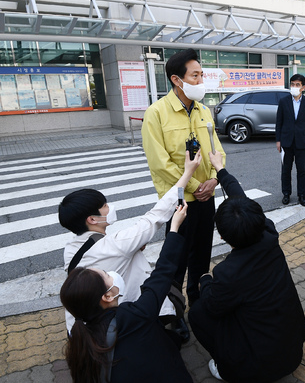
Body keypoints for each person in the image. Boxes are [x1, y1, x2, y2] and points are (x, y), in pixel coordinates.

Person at [189, 149, 305, 383]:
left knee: (197, 313)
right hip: (292, 351)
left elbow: (213, 306)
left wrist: (204, 280)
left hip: (259, 369)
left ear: (223, 238)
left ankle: (226, 367)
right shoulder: (268, 232)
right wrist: (220, 170)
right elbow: (240, 198)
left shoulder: (227, 273)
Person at [58, 150, 202, 337]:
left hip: (84, 326)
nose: (109, 208)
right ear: (92, 219)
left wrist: (132, 251)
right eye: (105, 206)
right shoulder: (117, 244)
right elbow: (155, 217)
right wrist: (188, 173)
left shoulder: (71, 249)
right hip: (118, 327)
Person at [60, 200, 192, 383]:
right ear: (106, 296)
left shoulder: (80, 337)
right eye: (106, 275)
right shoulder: (134, 316)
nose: (112, 275)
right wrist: (174, 229)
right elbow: (162, 274)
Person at [141, 49, 226, 327]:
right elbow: (160, 163)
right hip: (180, 203)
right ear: (177, 80)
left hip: (207, 197)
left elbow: (218, 150)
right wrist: (194, 184)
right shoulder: (156, 114)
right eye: (196, 75)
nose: (201, 79)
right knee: (176, 261)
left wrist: (215, 178)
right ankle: (173, 314)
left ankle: (199, 308)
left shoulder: (203, 111)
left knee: (202, 257)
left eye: (201, 74)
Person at [275, 73, 305, 207]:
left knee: (302, 170)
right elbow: (278, 122)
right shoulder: (283, 101)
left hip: (302, 143)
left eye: (297, 85)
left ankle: (302, 195)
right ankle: (286, 194)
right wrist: (278, 140)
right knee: (286, 170)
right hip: (286, 142)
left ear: (303, 87)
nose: (294, 87)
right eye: (292, 84)